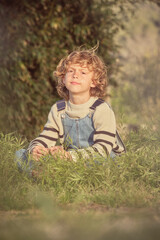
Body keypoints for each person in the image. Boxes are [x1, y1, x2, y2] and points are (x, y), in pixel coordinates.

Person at [15, 46, 125, 173]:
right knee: (20, 154)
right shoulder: (58, 109)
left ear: (94, 82)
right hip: (72, 159)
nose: (75, 75)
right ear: (63, 78)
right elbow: (46, 137)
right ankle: (39, 174)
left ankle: (56, 174)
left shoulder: (101, 109)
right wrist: (37, 148)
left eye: (83, 72)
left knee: (103, 160)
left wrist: (68, 157)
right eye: (71, 71)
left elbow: (103, 149)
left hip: (102, 156)